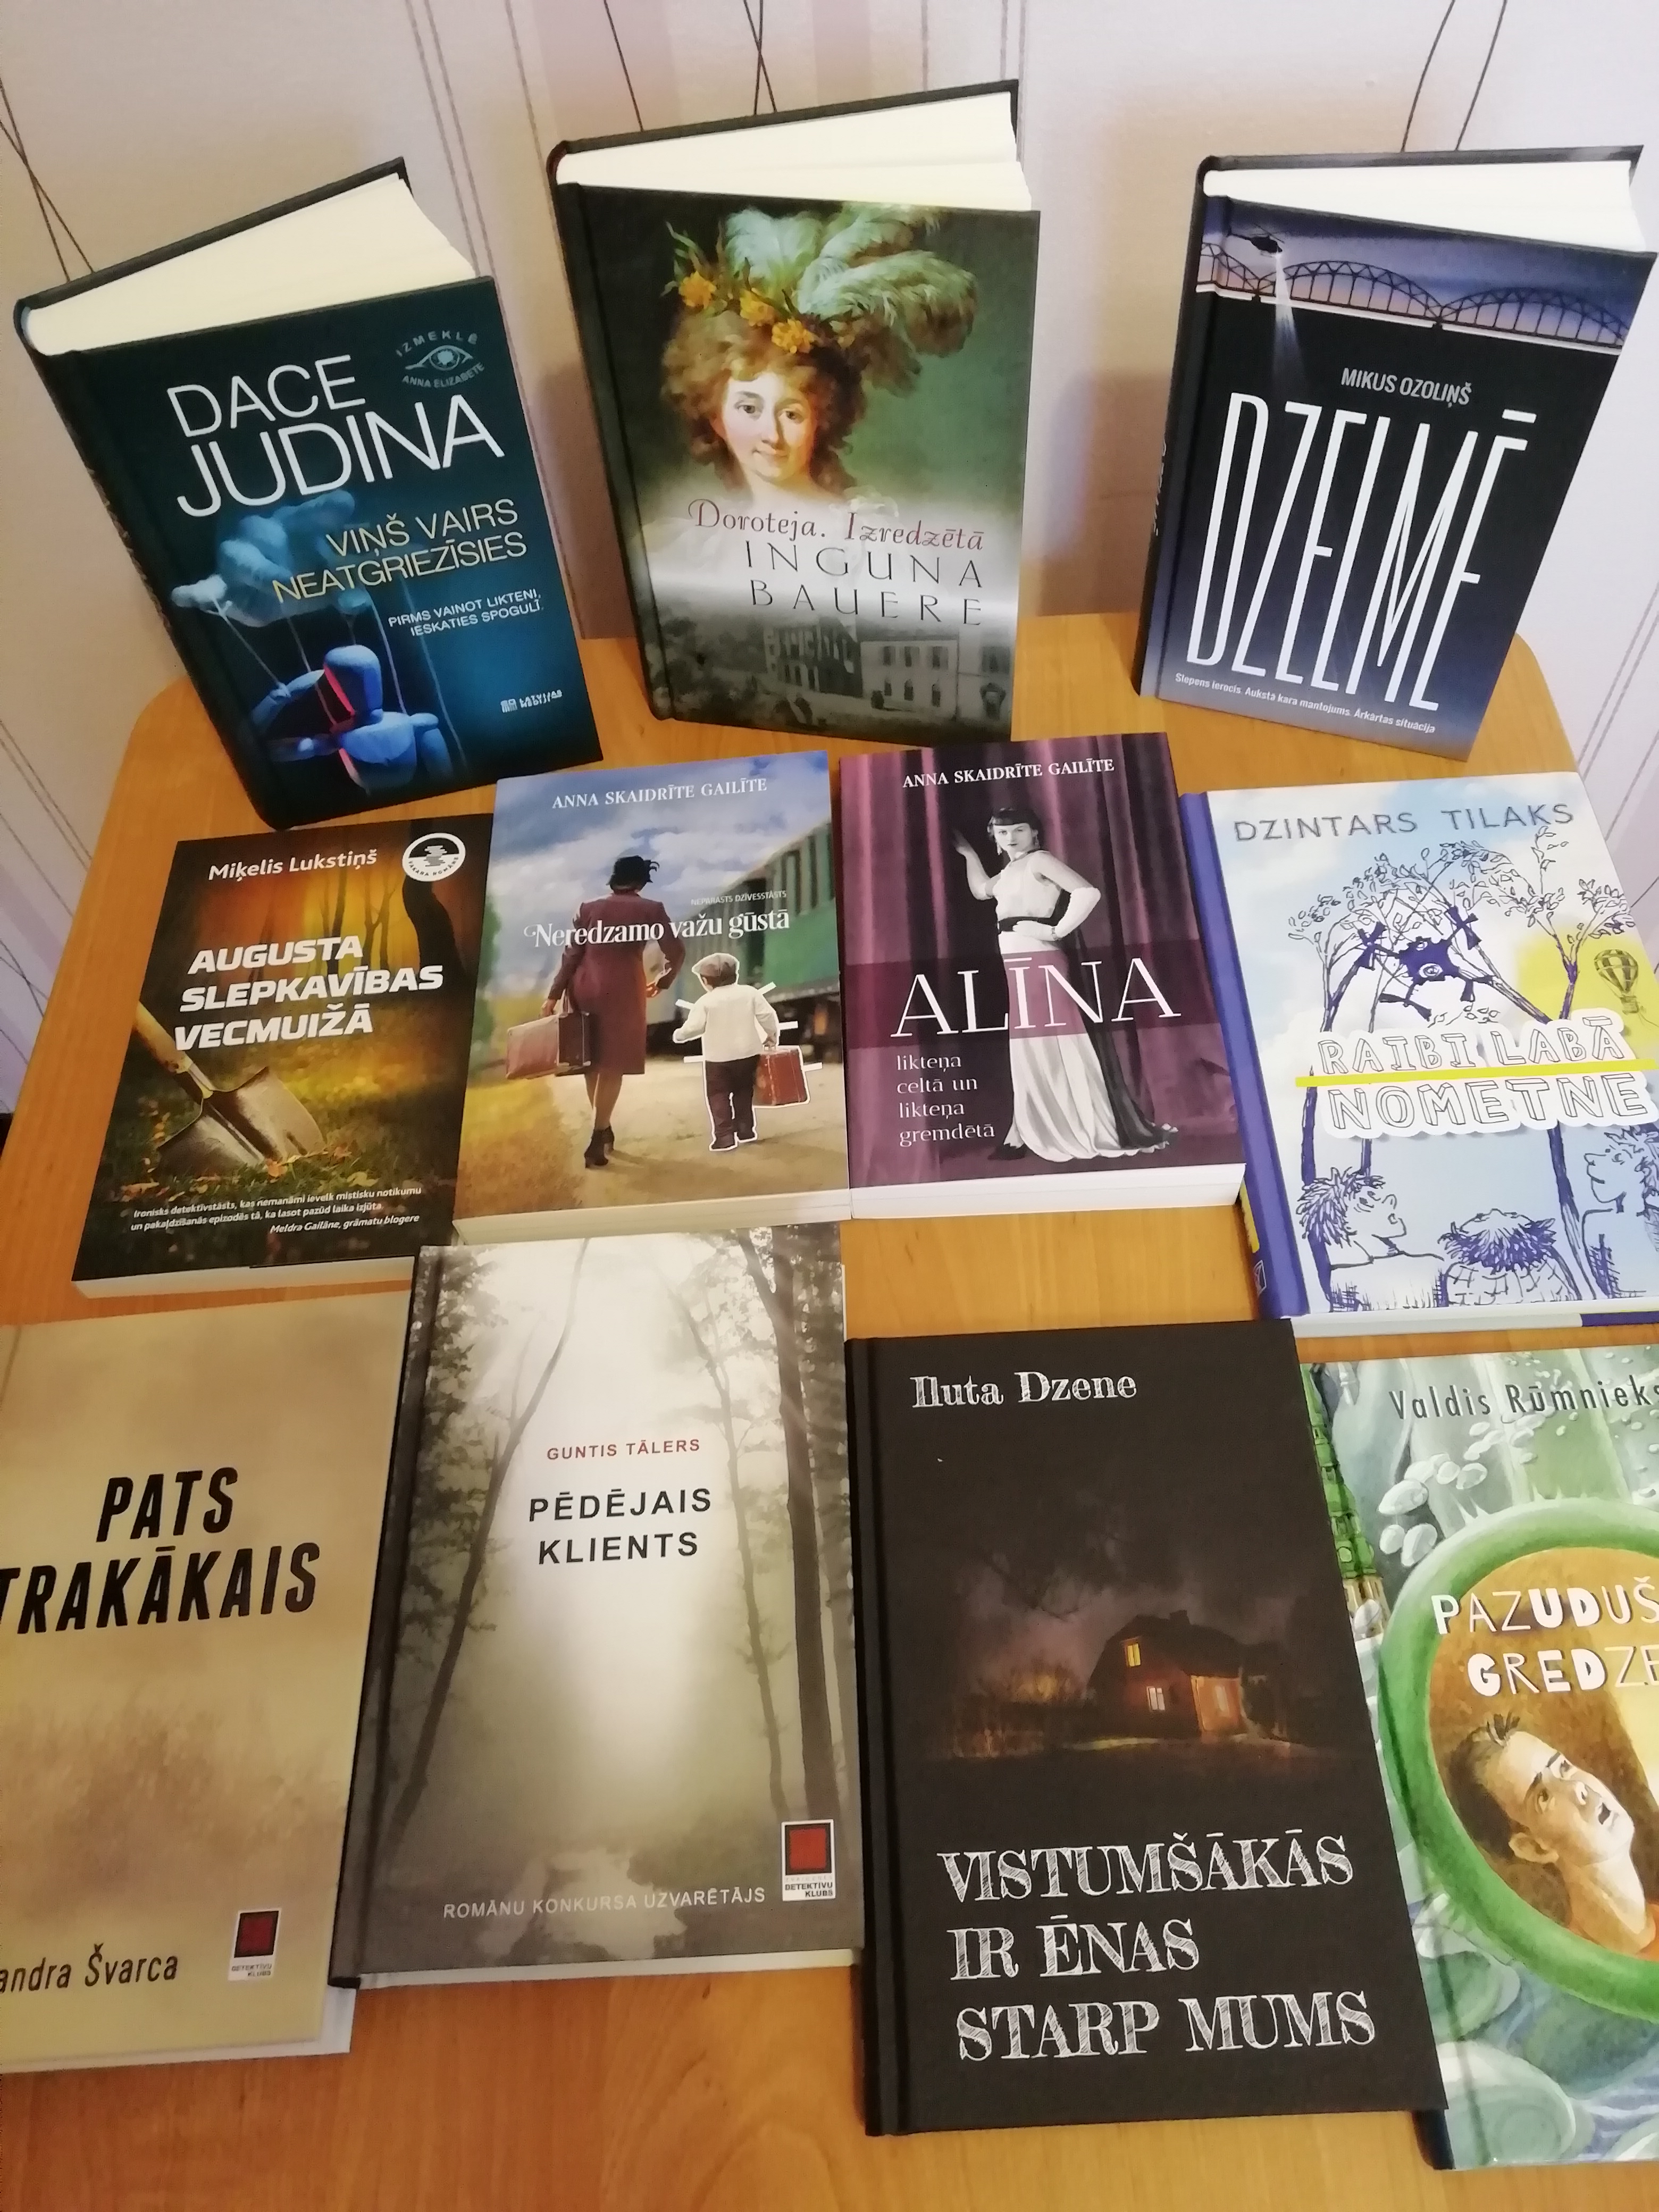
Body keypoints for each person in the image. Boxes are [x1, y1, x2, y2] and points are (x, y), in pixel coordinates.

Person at [953, 804, 1172, 1164]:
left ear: (1034, 832)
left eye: (1019, 830)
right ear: (995, 837)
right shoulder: (1010, 871)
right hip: (1017, 956)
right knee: (1030, 1042)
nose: (1011, 838)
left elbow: (1087, 893)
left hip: (1039, 954)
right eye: (1003, 832)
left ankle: (1051, 1126)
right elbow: (980, 890)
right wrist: (968, 854)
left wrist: (1055, 931)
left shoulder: (1040, 861)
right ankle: (1024, 1127)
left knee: (1049, 1040)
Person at [1447, 1713, 1659, 1957]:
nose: (1578, 1788)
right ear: (1533, 1847)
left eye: (1564, 1768)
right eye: (1544, 1797)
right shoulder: (1576, 1968)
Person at [543, 856, 684, 1169]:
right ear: (641, 881)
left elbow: (572, 955)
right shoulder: (652, 909)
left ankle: (603, 1128)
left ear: (615, 878)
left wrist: (553, 994)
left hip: (584, 988)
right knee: (613, 1065)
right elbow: (676, 951)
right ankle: (598, 1135)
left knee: (592, 1062)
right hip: (624, 991)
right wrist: (664, 980)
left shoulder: (587, 909)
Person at [1296, 1167, 1446, 1311]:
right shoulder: (1344, 1280)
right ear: (1346, 1223)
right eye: (1368, 1201)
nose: (1391, 1200)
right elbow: (1344, 1325)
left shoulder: (1432, 1265)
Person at [672, 953, 780, 1152]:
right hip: (748, 1055)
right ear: (735, 975)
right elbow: (767, 1015)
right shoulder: (750, 993)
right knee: (744, 1092)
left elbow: (694, 1028)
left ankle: (724, 1137)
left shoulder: (706, 1002)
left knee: (718, 1095)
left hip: (718, 1059)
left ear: (706, 981)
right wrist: (772, 1035)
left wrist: (679, 1035)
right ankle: (746, 1131)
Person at [1582, 1128, 1659, 1297]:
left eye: (1618, 1158)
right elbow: (1602, 1280)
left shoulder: (1655, 1220)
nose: (1591, 1158)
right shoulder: (1594, 1222)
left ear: (1643, 1173)